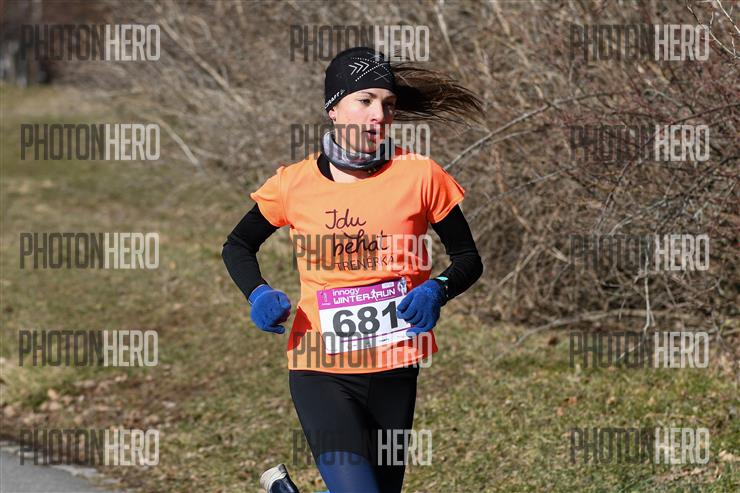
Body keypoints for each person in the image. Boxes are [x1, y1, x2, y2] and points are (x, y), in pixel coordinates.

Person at [222, 47, 484, 493]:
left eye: (389, 104)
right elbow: (238, 245)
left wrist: (437, 289)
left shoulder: (421, 175)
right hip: (319, 367)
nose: (379, 114)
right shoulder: (293, 183)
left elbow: (467, 259)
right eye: (365, 100)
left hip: (395, 367)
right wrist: (258, 293)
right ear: (333, 108)